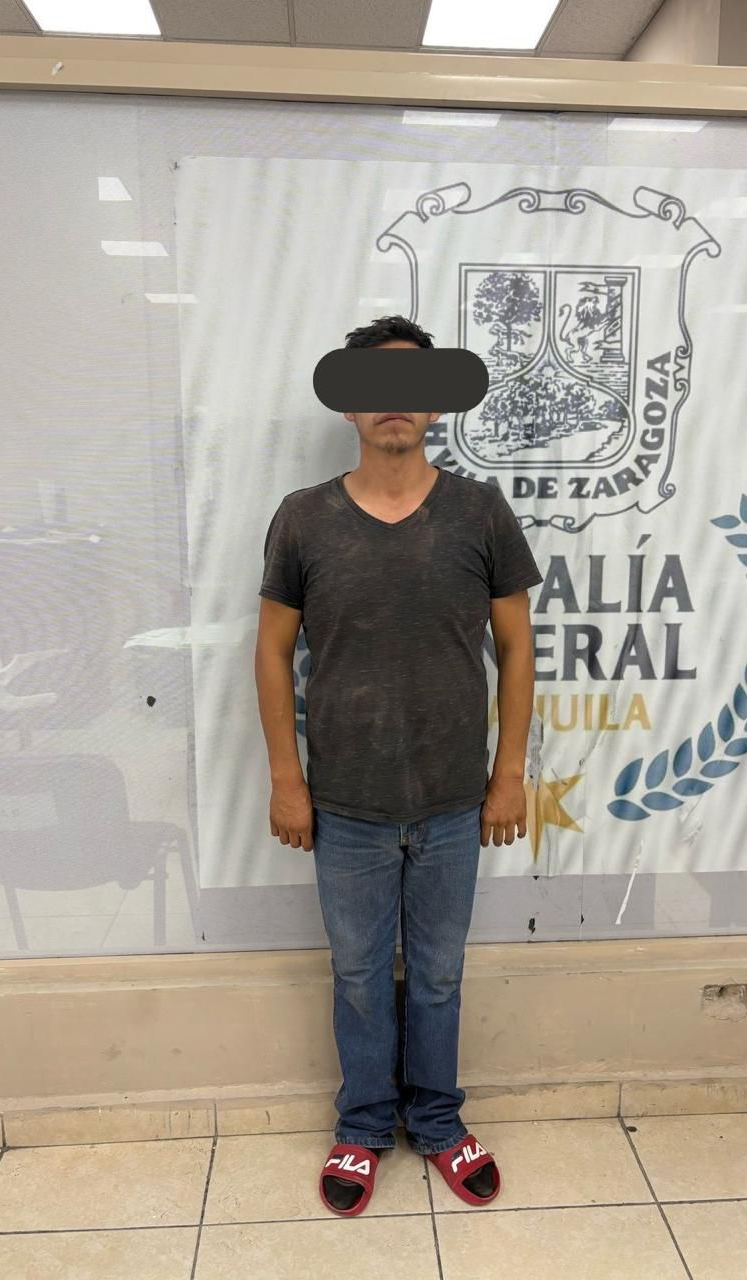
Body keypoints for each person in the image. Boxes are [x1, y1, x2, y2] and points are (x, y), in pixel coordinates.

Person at [254, 315, 543, 1216]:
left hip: (455, 801)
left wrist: (509, 774)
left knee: (441, 972)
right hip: (345, 805)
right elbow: (271, 653)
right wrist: (287, 780)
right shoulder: (304, 519)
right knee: (356, 974)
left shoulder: (480, 513)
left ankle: (440, 1122)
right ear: (348, 405)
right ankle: (364, 1125)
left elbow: (517, 648)